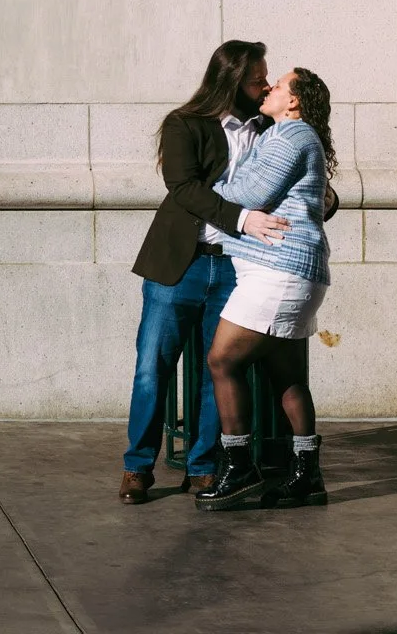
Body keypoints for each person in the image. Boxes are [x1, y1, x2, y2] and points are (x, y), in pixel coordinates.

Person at [118, 40, 289, 504]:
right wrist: (241, 218)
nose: (265, 85)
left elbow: (295, 179)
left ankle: (204, 468)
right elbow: (183, 188)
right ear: (232, 78)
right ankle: (137, 468)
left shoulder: (270, 129)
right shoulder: (184, 124)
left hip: (238, 269)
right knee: (152, 368)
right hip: (181, 265)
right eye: (257, 78)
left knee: (222, 369)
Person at [197, 67, 335, 512]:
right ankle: (306, 476)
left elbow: (246, 192)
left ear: (293, 101)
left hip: (278, 272)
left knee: (221, 360)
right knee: (288, 376)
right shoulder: (292, 136)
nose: (270, 88)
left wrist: (213, 187)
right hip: (290, 270)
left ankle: (239, 470)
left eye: (278, 86)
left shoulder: (290, 137)